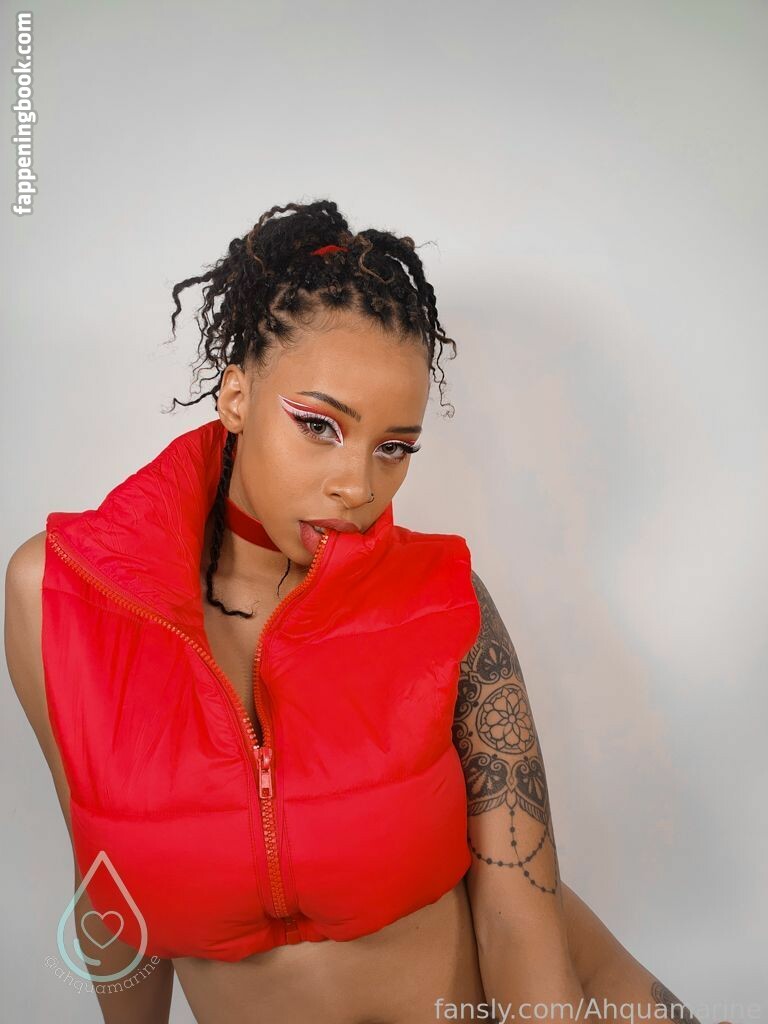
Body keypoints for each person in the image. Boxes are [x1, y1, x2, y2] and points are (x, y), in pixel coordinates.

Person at [5, 200, 707, 1024]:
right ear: (236, 394)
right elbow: (107, 881)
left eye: (393, 448)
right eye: (319, 425)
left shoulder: (442, 599)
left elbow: (521, 913)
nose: (357, 486)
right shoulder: (60, 596)